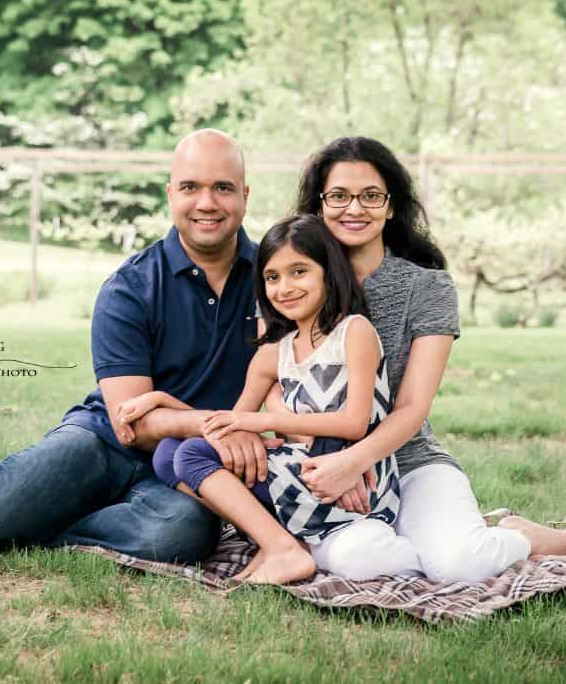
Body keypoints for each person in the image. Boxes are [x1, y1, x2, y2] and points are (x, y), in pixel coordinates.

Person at [0, 129, 277, 562]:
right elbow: (131, 423)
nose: (206, 203)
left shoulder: (275, 283)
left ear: (244, 196)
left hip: (188, 465)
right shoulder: (130, 287)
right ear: (170, 194)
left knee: (181, 535)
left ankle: (43, 526)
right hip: (103, 443)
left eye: (222, 188)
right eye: (190, 187)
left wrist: (220, 435)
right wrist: (223, 426)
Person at [278, 136, 566, 582]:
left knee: (461, 566)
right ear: (319, 205)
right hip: (316, 468)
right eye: (339, 196)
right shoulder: (291, 282)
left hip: (410, 462)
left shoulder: (428, 288)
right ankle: (437, 541)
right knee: (358, 563)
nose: (355, 209)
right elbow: (275, 384)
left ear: (391, 206)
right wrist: (328, 462)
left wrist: (353, 462)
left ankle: (519, 536)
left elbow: (412, 407)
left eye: (371, 196)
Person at [124, 215, 406, 584]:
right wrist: (163, 399)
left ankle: (281, 547)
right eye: (272, 277)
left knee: (192, 455)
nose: (284, 287)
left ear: (329, 272)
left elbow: (355, 423)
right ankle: (280, 541)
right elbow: (229, 425)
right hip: (303, 470)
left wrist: (267, 420)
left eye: (299, 272)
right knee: (168, 452)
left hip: (353, 479)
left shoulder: (353, 331)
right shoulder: (275, 351)